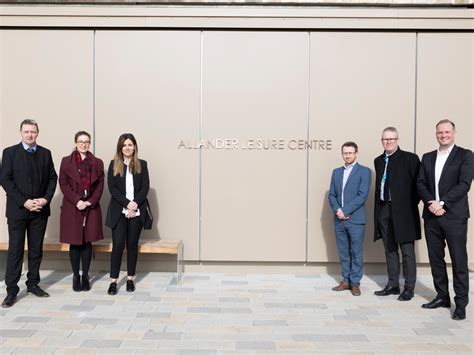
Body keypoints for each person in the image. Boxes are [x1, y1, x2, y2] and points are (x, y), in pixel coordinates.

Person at [417, 119, 473, 320]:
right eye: (440, 132)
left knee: (458, 260)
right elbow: (420, 183)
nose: (444, 135)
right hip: (432, 215)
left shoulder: (465, 155)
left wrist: (443, 203)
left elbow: (464, 184)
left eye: (447, 132)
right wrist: (431, 202)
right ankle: (442, 296)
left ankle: (461, 303)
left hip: (454, 216)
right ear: (436, 134)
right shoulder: (428, 157)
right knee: (436, 259)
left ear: (454, 133)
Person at [1, 119, 58, 308]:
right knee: (15, 250)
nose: (30, 135)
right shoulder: (10, 153)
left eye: (33, 131)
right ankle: (11, 290)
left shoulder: (45, 153)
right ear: (20, 132)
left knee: (36, 250)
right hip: (18, 210)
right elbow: (6, 180)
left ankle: (33, 284)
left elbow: (52, 178)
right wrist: (24, 202)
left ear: (37, 133)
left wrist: (45, 199)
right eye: (26, 131)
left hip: (39, 210)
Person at [373, 127, 421, 301]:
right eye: (385, 139)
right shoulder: (378, 161)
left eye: (392, 139)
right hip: (384, 209)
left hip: (404, 212)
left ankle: (409, 288)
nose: (389, 142)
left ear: (397, 139)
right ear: (382, 141)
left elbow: (418, 186)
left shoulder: (410, 159)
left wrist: (406, 206)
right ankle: (393, 285)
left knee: (407, 251)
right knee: (390, 249)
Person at [59, 131, 105, 292]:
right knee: (75, 242)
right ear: (75, 142)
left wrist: (89, 202)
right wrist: (77, 201)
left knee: (87, 241)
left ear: (90, 143)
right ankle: (75, 276)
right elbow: (63, 184)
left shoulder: (97, 162)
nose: (83, 144)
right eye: (80, 141)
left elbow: (100, 185)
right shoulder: (66, 161)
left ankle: (85, 276)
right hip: (73, 206)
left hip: (90, 207)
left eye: (86, 141)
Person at [105, 133, 150, 295]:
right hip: (119, 211)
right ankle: (113, 281)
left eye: (130, 145)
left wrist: (134, 205)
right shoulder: (113, 164)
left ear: (135, 147)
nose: (127, 148)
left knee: (132, 246)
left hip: (136, 212)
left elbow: (145, 187)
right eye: (124, 145)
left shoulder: (142, 164)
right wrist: (127, 204)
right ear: (120, 147)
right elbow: (112, 188)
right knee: (117, 246)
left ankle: (130, 279)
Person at [328, 142, 371, 296]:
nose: (347, 155)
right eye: (345, 153)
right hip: (339, 219)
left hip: (355, 220)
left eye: (350, 153)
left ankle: (355, 283)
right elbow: (332, 194)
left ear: (356, 153)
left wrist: (345, 210)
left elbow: (362, 196)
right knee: (343, 251)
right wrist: (338, 211)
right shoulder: (336, 172)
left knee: (356, 251)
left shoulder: (365, 172)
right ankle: (345, 280)